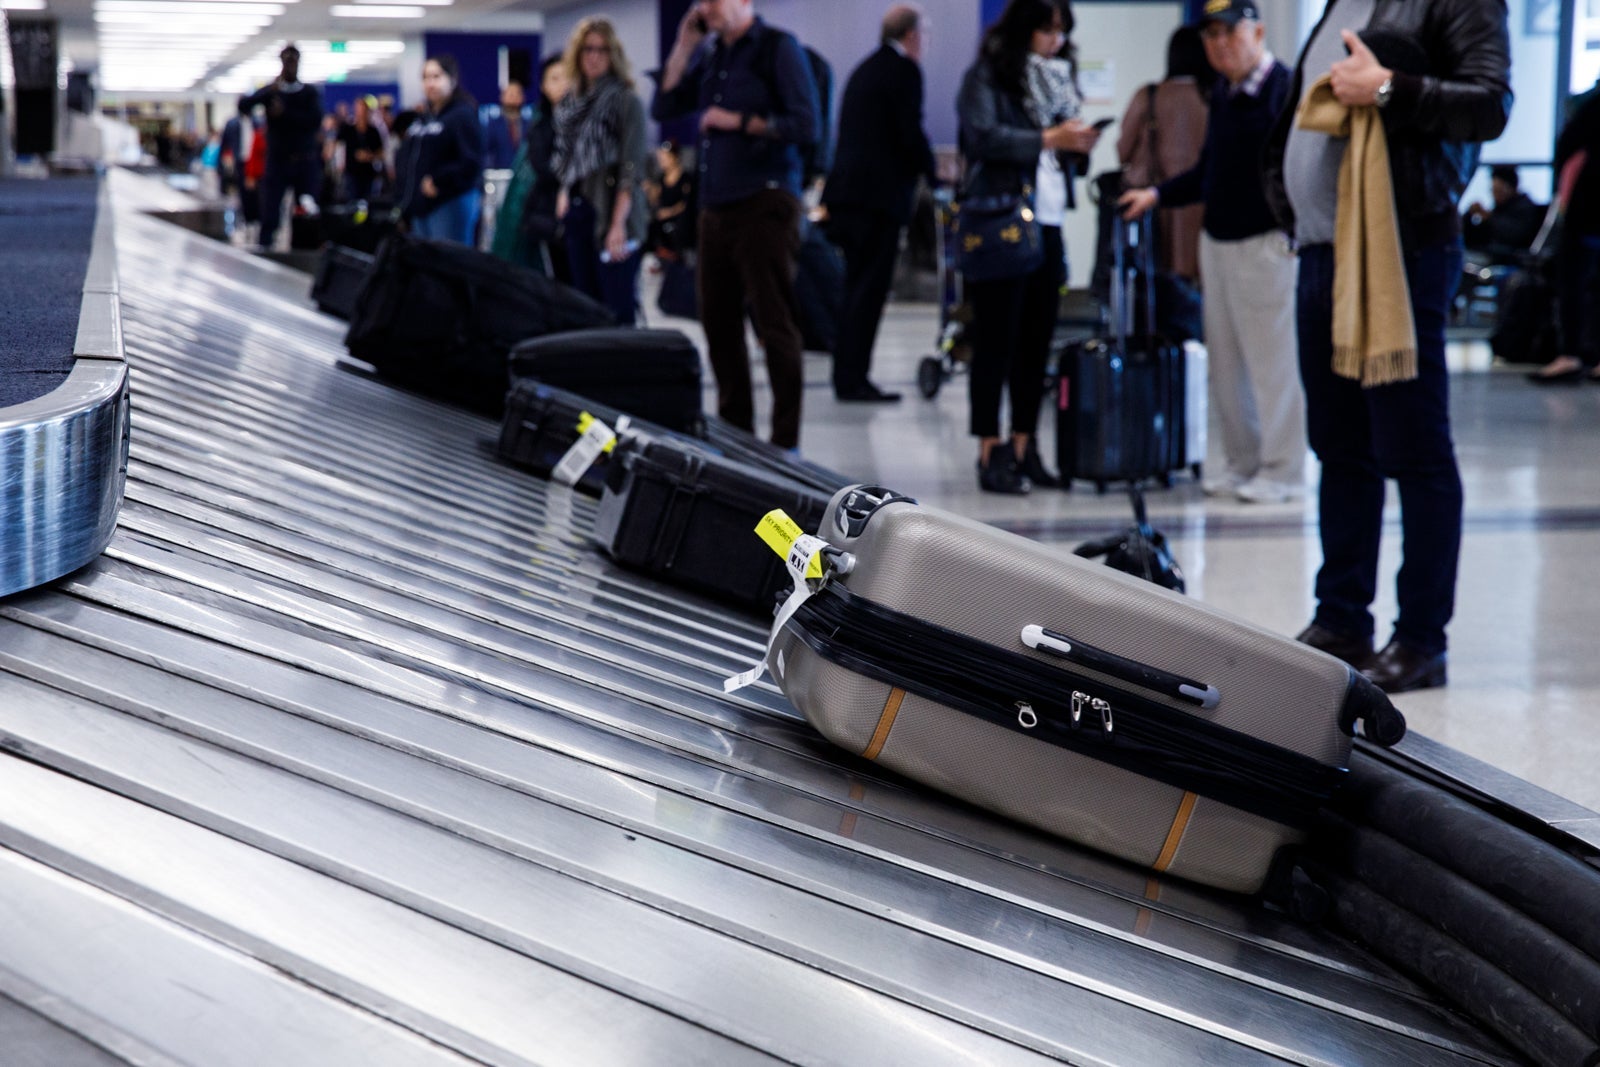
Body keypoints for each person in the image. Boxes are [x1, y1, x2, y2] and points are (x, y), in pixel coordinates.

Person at [1262, 0, 1512, 691]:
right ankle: (1342, 617)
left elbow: (1490, 104)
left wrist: (1387, 90)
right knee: (1340, 448)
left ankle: (1421, 639)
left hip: (1399, 250)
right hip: (1321, 253)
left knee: (1415, 451)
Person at [1120, 0, 1303, 504]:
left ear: (1258, 32)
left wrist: (1296, 229)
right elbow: (1208, 171)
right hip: (1217, 243)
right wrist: (1157, 195)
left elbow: (1302, 169)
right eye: (1211, 36)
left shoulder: (1283, 90)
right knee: (1226, 365)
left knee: (1272, 364)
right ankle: (1242, 463)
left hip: (1266, 244)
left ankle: (1282, 470)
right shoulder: (1222, 94)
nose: (1220, 45)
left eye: (1230, 33)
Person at [652, 0, 822, 451]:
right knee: (718, 324)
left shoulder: (776, 48)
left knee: (774, 323)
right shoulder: (713, 56)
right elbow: (664, 104)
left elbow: (806, 125)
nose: (706, 6)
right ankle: (736, 436)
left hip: (765, 201)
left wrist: (738, 121)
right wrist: (683, 46)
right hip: (716, 206)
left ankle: (786, 441)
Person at [956, 0, 1101, 493]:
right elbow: (981, 137)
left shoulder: (1060, 77)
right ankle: (989, 448)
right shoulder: (989, 76)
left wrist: (1078, 146)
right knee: (995, 340)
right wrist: (1048, 138)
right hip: (1003, 220)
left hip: (1050, 221)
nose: (1055, 41)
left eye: (1062, 31)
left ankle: (1025, 445)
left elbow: (1063, 155)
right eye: (1047, 30)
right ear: (1025, 30)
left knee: (1037, 342)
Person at [821, 4, 937, 403]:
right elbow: (909, 133)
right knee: (868, 292)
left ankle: (846, 375)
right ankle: (854, 380)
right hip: (877, 200)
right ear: (911, 35)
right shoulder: (904, 71)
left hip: (849, 196)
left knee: (854, 289)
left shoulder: (865, 68)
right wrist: (935, 172)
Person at [552, 18, 650, 325]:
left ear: (613, 55)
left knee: (616, 308)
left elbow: (631, 167)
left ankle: (623, 370)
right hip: (579, 209)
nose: (594, 57)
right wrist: (564, 191)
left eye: (602, 50)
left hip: (612, 209)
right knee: (585, 306)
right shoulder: (570, 104)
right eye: (588, 49)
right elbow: (568, 158)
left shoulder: (625, 100)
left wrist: (618, 224)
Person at [1116, 26, 1211, 285]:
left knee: (1154, 288)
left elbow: (1123, 151)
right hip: (1206, 209)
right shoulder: (1217, 98)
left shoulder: (1149, 96)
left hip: (1153, 206)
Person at [1527, 101, 1600, 383]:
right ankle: (1584, 353)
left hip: (1584, 212)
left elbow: (1570, 155)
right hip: (1586, 211)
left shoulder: (1589, 112)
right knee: (1585, 284)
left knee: (1574, 282)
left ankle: (1571, 354)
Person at [491, 57, 571, 278]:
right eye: (555, 78)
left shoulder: (586, 123)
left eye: (568, 77)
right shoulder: (538, 124)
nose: (563, 84)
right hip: (541, 214)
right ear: (543, 86)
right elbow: (541, 168)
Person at [238, 44, 323, 251]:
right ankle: (265, 249)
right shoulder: (272, 92)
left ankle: (304, 252)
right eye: (287, 61)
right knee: (270, 211)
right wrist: (268, 91)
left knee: (306, 209)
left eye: (293, 61)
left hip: (304, 161)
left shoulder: (309, 93)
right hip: (277, 161)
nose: (290, 66)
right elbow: (244, 105)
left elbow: (314, 120)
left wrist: (284, 114)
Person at [397, 55, 485, 245]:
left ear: (452, 80)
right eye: (426, 78)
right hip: (420, 206)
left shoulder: (462, 114)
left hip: (450, 202)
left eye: (437, 77)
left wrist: (439, 180)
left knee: (450, 263)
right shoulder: (423, 118)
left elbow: (471, 161)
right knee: (426, 267)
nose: (431, 83)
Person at [1463, 164, 1542, 256]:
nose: (1495, 195)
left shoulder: (1524, 207)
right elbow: (1475, 236)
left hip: (1512, 257)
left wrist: (1490, 218)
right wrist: (1469, 215)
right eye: (1493, 190)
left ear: (1512, 188)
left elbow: (1514, 235)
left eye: (1499, 191)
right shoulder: (1498, 208)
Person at [646, 140, 696, 261]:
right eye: (661, 158)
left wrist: (668, 212)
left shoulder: (686, 178)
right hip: (661, 222)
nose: (662, 161)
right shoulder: (661, 178)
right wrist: (649, 191)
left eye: (665, 157)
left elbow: (686, 204)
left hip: (680, 222)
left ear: (675, 157)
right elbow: (655, 201)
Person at [339, 95, 386, 203]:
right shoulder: (348, 129)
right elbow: (338, 145)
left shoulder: (373, 131)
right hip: (351, 173)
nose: (360, 112)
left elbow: (381, 153)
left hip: (368, 174)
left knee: (368, 203)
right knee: (353, 203)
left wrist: (369, 156)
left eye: (363, 109)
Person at [483, 81, 527, 171]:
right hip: (499, 176)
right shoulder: (492, 126)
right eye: (509, 93)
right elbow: (485, 153)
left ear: (522, 97)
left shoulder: (531, 125)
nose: (513, 96)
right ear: (501, 97)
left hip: (524, 178)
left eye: (516, 93)